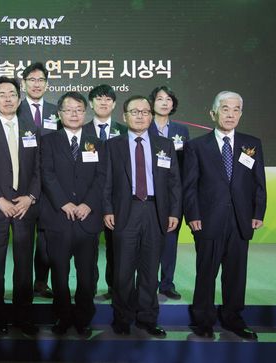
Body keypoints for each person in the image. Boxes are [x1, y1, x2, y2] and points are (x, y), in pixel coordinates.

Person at [183, 91, 266, 340]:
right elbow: (190, 186)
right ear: (213, 113)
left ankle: (233, 318)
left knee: (236, 274)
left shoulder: (251, 144)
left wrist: (258, 211)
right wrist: (193, 215)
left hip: (241, 220)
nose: (231, 114)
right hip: (208, 219)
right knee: (206, 272)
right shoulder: (197, 146)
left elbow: (258, 181)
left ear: (241, 113)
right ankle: (204, 321)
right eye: (225, 108)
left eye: (236, 109)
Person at [103, 95, 181, 337]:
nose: (140, 116)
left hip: (156, 212)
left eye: (145, 112)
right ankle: (122, 318)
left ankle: (148, 318)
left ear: (151, 115)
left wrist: (174, 213)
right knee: (123, 271)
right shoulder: (113, 145)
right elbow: (105, 183)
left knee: (150, 270)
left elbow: (174, 183)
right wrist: (107, 209)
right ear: (124, 116)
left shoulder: (164, 145)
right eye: (134, 112)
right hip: (126, 211)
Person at [0, 77, 41, 336]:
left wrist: (30, 197)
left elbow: (38, 168)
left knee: (24, 265)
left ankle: (24, 316)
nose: (8, 98)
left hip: (24, 207)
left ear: (20, 99)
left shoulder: (30, 128)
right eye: (2, 94)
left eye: (12, 94)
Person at [40, 92, 106, 336]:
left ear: (85, 113)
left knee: (87, 274)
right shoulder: (48, 141)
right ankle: (62, 317)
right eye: (68, 109)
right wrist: (63, 203)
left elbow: (102, 177)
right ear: (59, 114)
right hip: (59, 218)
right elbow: (47, 174)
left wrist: (88, 203)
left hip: (87, 219)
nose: (74, 114)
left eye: (79, 109)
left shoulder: (96, 142)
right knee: (59, 273)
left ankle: (84, 318)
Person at [17, 62, 59, 298]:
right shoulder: (14, 110)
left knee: (47, 241)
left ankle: (41, 282)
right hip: (23, 187)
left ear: (46, 84)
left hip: (51, 187)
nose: (36, 84)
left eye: (40, 80)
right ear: (23, 84)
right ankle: (22, 286)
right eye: (31, 79)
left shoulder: (57, 111)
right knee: (23, 242)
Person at [82, 84, 127, 297]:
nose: (103, 102)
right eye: (98, 99)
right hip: (88, 197)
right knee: (89, 249)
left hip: (117, 199)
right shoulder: (81, 130)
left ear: (115, 104)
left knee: (115, 247)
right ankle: (89, 286)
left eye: (108, 99)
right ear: (91, 103)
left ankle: (113, 286)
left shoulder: (125, 131)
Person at [148, 86, 189, 300]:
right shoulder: (143, 127)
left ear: (173, 104)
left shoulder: (181, 131)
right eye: (160, 98)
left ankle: (167, 283)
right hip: (150, 194)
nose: (164, 102)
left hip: (173, 194)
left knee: (170, 241)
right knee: (148, 241)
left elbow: (184, 166)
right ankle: (148, 283)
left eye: (169, 99)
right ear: (152, 103)